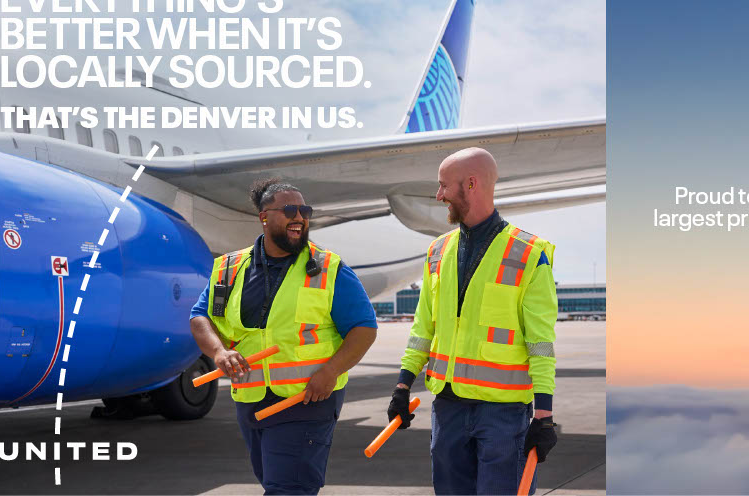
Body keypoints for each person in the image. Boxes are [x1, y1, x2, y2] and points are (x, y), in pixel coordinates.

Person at [387, 147, 559, 495]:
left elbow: (540, 342)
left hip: (503, 412)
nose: (439, 196)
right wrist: (403, 385)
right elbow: (423, 329)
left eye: (443, 186)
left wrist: (543, 415)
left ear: (470, 183)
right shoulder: (438, 250)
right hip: (448, 407)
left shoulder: (528, 253)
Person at [190, 178, 378, 495]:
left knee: (287, 489)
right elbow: (201, 317)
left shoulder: (327, 268)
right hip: (251, 400)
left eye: (305, 210)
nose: (300, 217)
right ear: (264, 217)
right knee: (275, 483)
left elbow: (364, 328)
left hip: (306, 400)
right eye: (290, 210)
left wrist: (331, 371)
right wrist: (219, 353)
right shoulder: (228, 270)